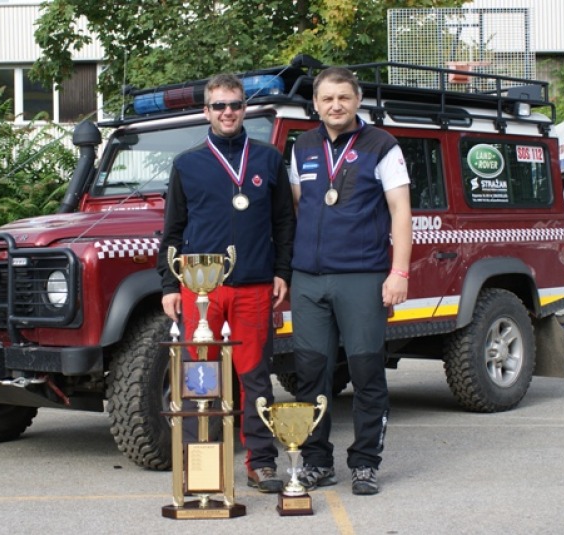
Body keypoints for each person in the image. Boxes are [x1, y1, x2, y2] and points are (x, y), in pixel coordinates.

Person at [157, 73, 296, 493]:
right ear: (207, 111)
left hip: (255, 285)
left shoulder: (268, 159)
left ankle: (261, 463)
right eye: (219, 105)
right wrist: (169, 285)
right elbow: (172, 230)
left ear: (244, 108)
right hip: (201, 289)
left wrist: (282, 271)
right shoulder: (187, 164)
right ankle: (202, 463)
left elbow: (284, 222)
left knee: (255, 377)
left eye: (235, 104)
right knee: (200, 377)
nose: (228, 112)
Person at [288, 67, 412, 496]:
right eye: (327, 98)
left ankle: (365, 463)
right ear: (315, 104)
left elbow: (400, 211)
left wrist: (399, 272)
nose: (335, 105)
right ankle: (316, 462)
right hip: (308, 279)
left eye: (343, 97)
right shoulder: (302, 146)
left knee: (366, 371)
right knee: (310, 374)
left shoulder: (382, 145)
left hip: (361, 276)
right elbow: (299, 207)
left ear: (357, 100)